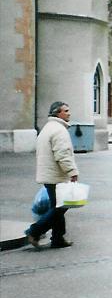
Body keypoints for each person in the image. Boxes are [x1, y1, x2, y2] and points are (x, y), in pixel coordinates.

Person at [26, 101, 79, 249]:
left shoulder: (48, 128)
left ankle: (58, 238)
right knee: (60, 207)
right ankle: (34, 231)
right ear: (57, 113)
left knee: (58, 205)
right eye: (66, 110)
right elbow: (63, 155)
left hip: (49, 174)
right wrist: (72, 172)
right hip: (57, 176)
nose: (69, 113)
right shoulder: (59, 131)